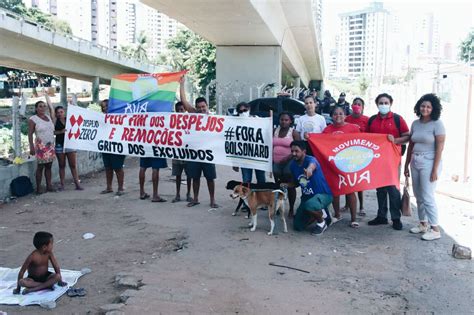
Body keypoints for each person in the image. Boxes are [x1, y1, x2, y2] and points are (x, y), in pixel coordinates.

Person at [404, 94, 445, 241]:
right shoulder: (415, 123)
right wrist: (406, 164)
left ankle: (435, 229)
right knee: (419, 195)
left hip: (430, 161)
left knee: (428, 196)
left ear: (433, 108)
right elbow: (411, 145)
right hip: (415, 160)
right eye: (423, 106)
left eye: (428, 106)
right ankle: (423, 224)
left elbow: (440, 147)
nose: (425, 109)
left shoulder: (437, 124)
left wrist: (434, 169)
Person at [367, 93, 410, 230]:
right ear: (377, 104)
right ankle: (382, 216)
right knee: (380, 188)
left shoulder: (398, 119)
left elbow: (407, 136)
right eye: (381, 102)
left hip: (393, 159)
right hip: (377, 160)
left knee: (393, 188)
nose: (383, 105)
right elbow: (366, 138)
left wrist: (395, 141)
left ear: (390, 103)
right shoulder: (372, 120)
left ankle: (396, 218)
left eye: (386, 102)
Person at [179, 76, 219, 208]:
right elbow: (184, 101)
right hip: (194, 153)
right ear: (196, 108)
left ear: (207, 106)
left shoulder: (213, 119)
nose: (201, 109)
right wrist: (182, 84)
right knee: (195, 177)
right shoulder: (193, 114)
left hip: (207, 153)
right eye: (199, 107)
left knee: (210, 178)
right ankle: (195, 199)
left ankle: (212, 200)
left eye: (203, 106)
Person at [323, 107, 361, 227]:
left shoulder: (353, 128)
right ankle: (337, 214)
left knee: (350, 190)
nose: (338, 116)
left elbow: (360, 142)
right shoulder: (327, 130)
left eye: (341, 113)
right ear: (331, 116)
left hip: (349, 164)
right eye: (335, 114)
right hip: (333, 164)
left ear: (345, 115)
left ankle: (354, 218)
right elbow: (321, 143)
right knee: (335, 190)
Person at [290, 141, 333, 235]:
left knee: (310, 205)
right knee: (298, 226)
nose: (294, 154)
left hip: (323, 195)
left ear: (304, 151)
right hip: (307, 198)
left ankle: (322, 223)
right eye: (292, 151)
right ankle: (324, 214)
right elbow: (296, 183)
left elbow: (311, 166)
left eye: (296, 151)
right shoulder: (292, 165)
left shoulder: (311, 160)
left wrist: (309, 171)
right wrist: (285, 185)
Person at [344, 97, 370, 216]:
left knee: (358, 181)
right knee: (347, 179)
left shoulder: (367, 120)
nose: (356, 106)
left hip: (361, 153)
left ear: (363, 107)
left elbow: (372, 135)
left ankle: (362, 206)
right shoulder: (346, 119)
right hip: (348, 153)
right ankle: (347, 204)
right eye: (355, 104)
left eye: (359, 104)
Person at [273, 111, 301, 217]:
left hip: (290, 163)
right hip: (276, 163)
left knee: (290, 186)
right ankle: (278, 207)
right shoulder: (274, 131)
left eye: (286, 120)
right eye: (282, 120)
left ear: (290, 121)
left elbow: (299, 148)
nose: (283, 122)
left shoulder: (294, 133)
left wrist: (288, 157)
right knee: (278, 186)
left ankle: (291, 209)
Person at [232, 102, 266, 184]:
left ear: (249, 110)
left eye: (245, 110)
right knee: (246, 180)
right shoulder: (235, 124)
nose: (243, 112)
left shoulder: (257, 120)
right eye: (240, 111)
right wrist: (235, 162)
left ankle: (261, 196)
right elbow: (234, 143)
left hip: (258, 156)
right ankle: (246, 196)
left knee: (261, 180)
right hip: (244, 158)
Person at [51, 105, 83, 191]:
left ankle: (77, 183)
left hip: (70, 143)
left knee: (73, 165)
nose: (60, 114)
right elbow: (53, 132)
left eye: (61, 112)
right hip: (59, 144)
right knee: (62, 165)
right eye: (58, 112)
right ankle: (62, 185)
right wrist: (60, 131)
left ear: (64, 112)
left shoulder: (69, 119)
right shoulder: (55, 121)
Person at [28, 100, 56, 194]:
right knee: (40, 167)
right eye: (40, 106)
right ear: (36, 108)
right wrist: (31, 147)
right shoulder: (33, 119)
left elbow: (52, 130)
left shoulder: (48, 117)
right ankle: (38, 188)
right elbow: (30, 134)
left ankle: (49, 186)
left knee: (49, 166)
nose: (43, 108)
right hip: (41, 146)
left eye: (44, 106)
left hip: (50, 145)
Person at [100, 99, 126, 196]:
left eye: (106, 106)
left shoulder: (119, 117)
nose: (105, 108)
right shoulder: (101, 117)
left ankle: (120, 188)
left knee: (118, 167)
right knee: (108, 167)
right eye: (103, 107)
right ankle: (109, 187)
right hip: (106, 145)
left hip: (117, 145)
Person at [171, 102, 192, 203]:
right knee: (177, 175)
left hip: (187, 153)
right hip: (177, 153)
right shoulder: (172, 122)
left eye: (182, 109)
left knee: (189, 175)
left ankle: (188, 194)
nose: (180, 112)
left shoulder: (190, 122)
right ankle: (177, 194)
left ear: (185, 110)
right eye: (178, 110)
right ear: (175, 110)